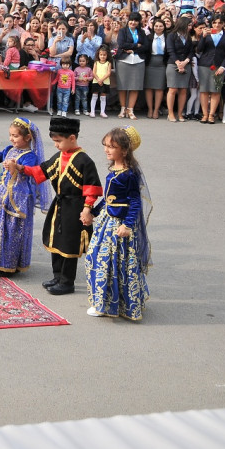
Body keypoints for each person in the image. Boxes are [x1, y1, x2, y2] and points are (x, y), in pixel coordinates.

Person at [12, 117, 102, 295]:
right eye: (54, 141)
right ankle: (57, 276)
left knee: (69, 245)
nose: (56, 145)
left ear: (72, 138)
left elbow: (92, 189)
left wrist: (87, 208)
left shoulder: (85, 161)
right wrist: (21, 168)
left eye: (59, 141)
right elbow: (41, 171)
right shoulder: (60, 156)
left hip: (75, 207)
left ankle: (67, 282)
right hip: (60, 204)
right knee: (55, 240)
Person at [0, 117, 51, 274]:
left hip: (19, 198)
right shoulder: (9, 149)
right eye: (10, 135)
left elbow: (29, 173)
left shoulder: (30, 156)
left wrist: (17, 167)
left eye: (16, 136)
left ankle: (10, 265)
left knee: (12, 231)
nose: (12, 138)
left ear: (28, 137)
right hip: (2, 194)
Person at [85, 126, 151, 320]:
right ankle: (103, 300)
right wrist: (94, 212)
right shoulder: (114, 169)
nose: (106, 150)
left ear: (124, 150)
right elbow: (108, 199)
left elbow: (135, 202)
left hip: (119, 224)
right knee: (95, 258)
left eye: (111, 147)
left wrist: (128, 225)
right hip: (107, 221)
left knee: (112, 264)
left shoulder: (129, 174)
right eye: (105, 145)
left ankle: (109, 304)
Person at [196, 14, 225, 124]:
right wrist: (203, 36)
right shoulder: (207, 34)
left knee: (216, 90)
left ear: (223, 24)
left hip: (219, 65)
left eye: (220, 23)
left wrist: (223, 66)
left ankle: (211, 115)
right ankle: (205, 114)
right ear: (212, 23)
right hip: (204, 64)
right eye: (215, 22)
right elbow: (199, 49)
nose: (217, 25)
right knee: (204, 90)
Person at [115, 12, 149, 120]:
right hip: (124, 60)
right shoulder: (123, 31)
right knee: (122, 86)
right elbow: (121, 44)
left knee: (135, 86)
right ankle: (123, 109)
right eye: (131, 20)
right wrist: (136, 45)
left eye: (136, 20)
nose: (133, 22)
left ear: (139, 22)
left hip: (138, 60)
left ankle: (130, 109)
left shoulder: (142, 32)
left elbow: (146, 46)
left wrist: (133, 48)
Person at [165, 16, 194, 122]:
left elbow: (191, 51)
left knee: (183, 89)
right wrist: (178, 63)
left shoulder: (188, 37)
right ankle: (170, 113)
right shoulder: (171, 35)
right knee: (172, 89)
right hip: (173, 64)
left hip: (186, 64)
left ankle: (180, 113)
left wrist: (186, 61)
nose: (191, 27)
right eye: (189, 25)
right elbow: (170, 50)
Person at [143, 17, 168, 119]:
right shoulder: (149, 37)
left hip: (162, 63)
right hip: (150, 63)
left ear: (164, 27)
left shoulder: (168, 37)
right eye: (156, 26)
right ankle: (150, 109)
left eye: (160, 26)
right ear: (153, 27)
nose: (158, 28)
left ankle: (156, 110)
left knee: (159, 88)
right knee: (149, 87)